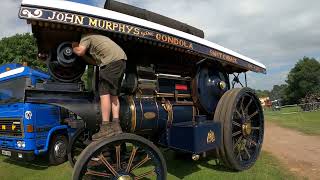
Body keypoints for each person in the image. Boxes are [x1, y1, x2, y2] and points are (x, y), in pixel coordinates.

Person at [72, 34, 127, 140]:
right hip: (121, 61)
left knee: (104, 93)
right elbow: (95, 62)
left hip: (110, 62)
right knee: (114, 95)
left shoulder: (85, 36)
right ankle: (116, 126)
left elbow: (79, 51)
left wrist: (74, 45)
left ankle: (105, 127)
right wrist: (84, 57)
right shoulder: (98, 39)